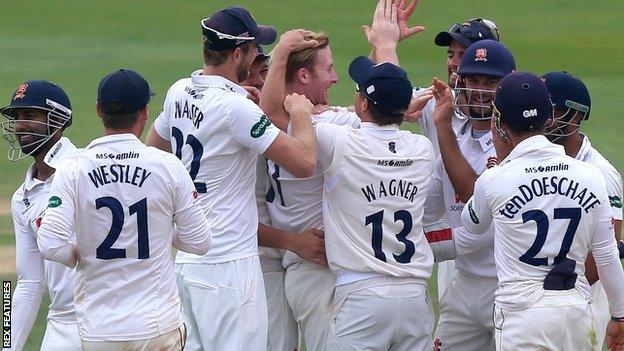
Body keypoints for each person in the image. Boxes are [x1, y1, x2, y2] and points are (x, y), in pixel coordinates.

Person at [144, 6, 317, 350]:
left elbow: (152, 150)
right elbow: (304, 163)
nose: (256, 57)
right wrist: (302, 115)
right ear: (238, 53)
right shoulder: (234, 108)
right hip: (228, 268)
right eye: (254, 50)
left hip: (186, 264)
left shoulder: (178, 91)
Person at [37, 69, 212, 350]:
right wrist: (162, 230)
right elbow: (200, 242)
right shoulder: (167, 166)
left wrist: (80, 255)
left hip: (99, 330)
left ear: (98, 110)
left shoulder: (73, 168)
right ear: (144, 112)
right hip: (157, 325)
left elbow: (49, 245)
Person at [462, 71, 624, 350]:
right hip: (575, 310)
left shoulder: (495, 179)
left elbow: (472, 222)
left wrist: (501, 164)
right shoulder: (591, 175)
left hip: (522, 315)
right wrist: (620, 315)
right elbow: (608, 254)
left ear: (499, 123)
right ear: (548, 119)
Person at [318, 54, 435, 350]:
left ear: (364, 104)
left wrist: (298, 107)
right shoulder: (422, 149)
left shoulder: (340, 141)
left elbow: (284, 118)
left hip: (361, 294)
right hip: (414, 296)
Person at [423, 39, 515, 351]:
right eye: (473, 80)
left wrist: (413, 249)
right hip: (463, 282)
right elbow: (424, 210)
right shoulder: (456, 142)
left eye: (491, 82)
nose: (480, 90)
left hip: (509, 286)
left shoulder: (516, 146)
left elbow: (475, 199)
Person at [412, 17, 501, 300]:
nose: (454, 63)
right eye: (451, 54)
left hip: (495, 259)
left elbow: (472, 195)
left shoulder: (510, 125)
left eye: (464, 55)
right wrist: (384, 43)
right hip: (455, 252)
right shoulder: (434, 100)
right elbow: (380, 94)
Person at [542, 71, 623, 350]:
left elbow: (608, 247)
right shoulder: (534, 161)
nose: (544, 117)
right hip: (542, 297)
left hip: (582, 301)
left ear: (576, 117)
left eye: (553, 110)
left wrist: (560, 295)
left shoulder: (602, 173)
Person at [1, 80, 81, 351]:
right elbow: (30, 282)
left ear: (58, 120)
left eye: (30, 116)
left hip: (109, 314)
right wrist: (7, 344)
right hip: (62, 322)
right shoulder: (23, 197)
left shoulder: (86, 169)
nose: (20, 125)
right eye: (17, 117)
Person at [241, 48, 300, 351]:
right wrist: (292, 241)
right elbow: (304, 162)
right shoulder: (244, 119)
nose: (266, 82)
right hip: (259, 263)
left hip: (258, 262)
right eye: (262, 72)